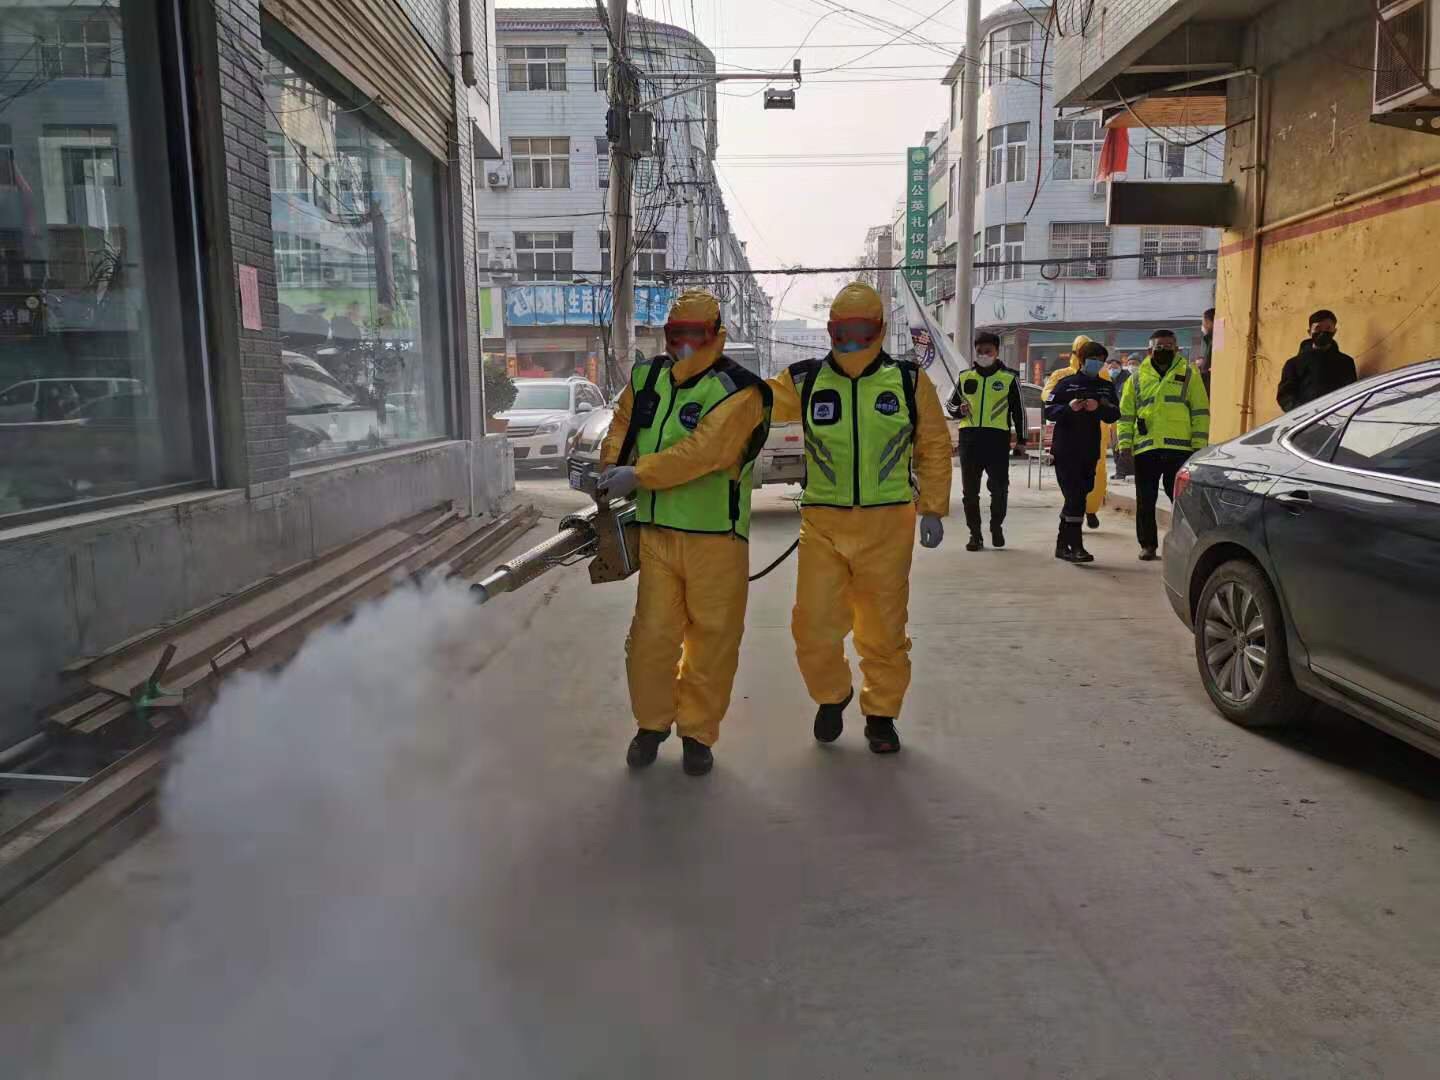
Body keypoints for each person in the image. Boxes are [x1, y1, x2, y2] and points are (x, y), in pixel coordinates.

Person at [767, 282, 951, 755]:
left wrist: (932, 507)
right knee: (812, 626)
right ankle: (832, 695)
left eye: (860, 331)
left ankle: (881, 715)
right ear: (830, 330)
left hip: (888, 525)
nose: (850, 341)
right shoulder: (804, 381)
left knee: (883, 629)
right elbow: (744, 411)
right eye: (841, 332)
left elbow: (933, 445)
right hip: (823, 525)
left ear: (879, 330)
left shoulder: (908, 382)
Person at [597, 290, 772, 776]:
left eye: (696, 335)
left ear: (716, 335)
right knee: (650, 639)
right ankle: (650, 725)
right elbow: (623, 423)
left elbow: (705, 452)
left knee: (712, 641)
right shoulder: (647, 377)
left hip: (716, 538)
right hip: (657, 535)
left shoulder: (740, 391)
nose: (685, 345)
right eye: (677, 335)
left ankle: (697, 733)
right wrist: (611, 465)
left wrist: (640, 474)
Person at [1115, 329, 1210, 561]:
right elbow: (1125, 415)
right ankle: (1148, 545)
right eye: (1159, 347)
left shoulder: (1189, 374)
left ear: (1177, 349)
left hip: (1180, 449)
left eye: (1169, 347)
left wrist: (1199, 445)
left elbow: (1200, 411)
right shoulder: (1136, 378)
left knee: (1182, 501)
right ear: (1150, 350)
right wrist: (1125, 444)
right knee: (1145, 500)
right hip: (1146, 448)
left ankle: (1188, 544)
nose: (1164, 350)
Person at [945, 331, 1025, 551]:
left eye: (987, 351)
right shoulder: (964, 377)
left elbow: (1019, 411)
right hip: (969, 440)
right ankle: (975, 535)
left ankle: (996, 525)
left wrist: (1022, 440)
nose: (983, 355)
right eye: (979, 351)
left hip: (997, 440)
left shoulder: (1009, 378)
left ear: (997, 352)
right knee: (970, 492)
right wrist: (959, 409)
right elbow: (949, 405)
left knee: (999, 489)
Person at [1045, 342, 1120, 563]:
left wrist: (1099, 408)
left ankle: (1061, 545)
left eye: (1100, 360)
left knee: (1078, 496)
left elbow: (1115, 414)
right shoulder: (1065, 383)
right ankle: (1076, 546)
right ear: (1081, 360)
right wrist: (1069, 408)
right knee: (1075, 497)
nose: (1096, 363)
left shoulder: (1105, 386)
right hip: (1065, 449)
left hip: (1090, 450)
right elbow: (1049, 410)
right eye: (1092, 359)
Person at [1276, 309, 1357, 411]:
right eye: (1318, 328)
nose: (1323, 332)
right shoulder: (1293, 364)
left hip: (1339, 418)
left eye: (1328, 328)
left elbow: (1351, 394)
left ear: (1334, 331)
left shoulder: (1346, 362)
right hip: (1306, 419)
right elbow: (1285, 397)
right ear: (1309, 332)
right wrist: (1304, 412)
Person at [1199, 308, 1215, 394]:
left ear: (1208, 322)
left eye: (1203, 322)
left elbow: (1208, 368)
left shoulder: (1216, 341)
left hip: (1209, 388)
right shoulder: (1210, 341)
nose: (1202, 326)